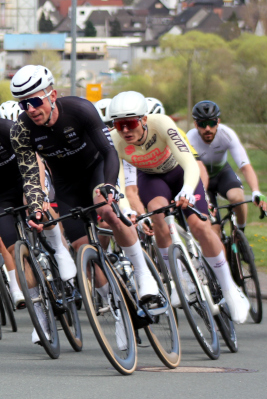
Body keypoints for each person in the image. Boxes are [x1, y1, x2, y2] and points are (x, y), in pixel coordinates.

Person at [9, 65, 159, 350]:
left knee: (105, 209)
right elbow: (30, 177)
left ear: (52, 95)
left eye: (35, 101)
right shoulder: (21, 130)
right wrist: (38, 207)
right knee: (80, 247)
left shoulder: (80, 109)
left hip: (96, 170)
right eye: (23, 104)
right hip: (67, 186)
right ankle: (118, 312)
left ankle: (143, 274)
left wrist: (109, 185)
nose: (30, 109)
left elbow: (109, 151)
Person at [0, 94, 84, 343]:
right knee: (13, 249)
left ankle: (60, 250)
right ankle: (41, 317)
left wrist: (38, 194)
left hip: (27, 179)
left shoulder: (5, 129)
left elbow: (34, 160)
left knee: (33, 203)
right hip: (2, 195)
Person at [107, 92, 250, 322]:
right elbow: (118, 182)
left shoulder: (162, 123)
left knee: (199, 225)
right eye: (118, 124)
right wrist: (127, 209)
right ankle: (177, 281)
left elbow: (190, 163)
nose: (124, 130)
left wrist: (187, 190)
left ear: (143, 119)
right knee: (158, 217)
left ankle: (230, 288)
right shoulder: (114, 140)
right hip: (152, 180)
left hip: (180, 173)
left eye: (130, 123)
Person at [186, 100, 267, 231]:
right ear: (196, 124)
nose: (208, 128)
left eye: (212, 123)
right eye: (203, 124)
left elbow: (245, 166)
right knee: (214, 233)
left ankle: (241, 234)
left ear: (218, 122)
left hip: (222, 173)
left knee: (237, 198)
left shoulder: (227, 134)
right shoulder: (189, 139)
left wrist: (256, 191)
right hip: (200, 180)